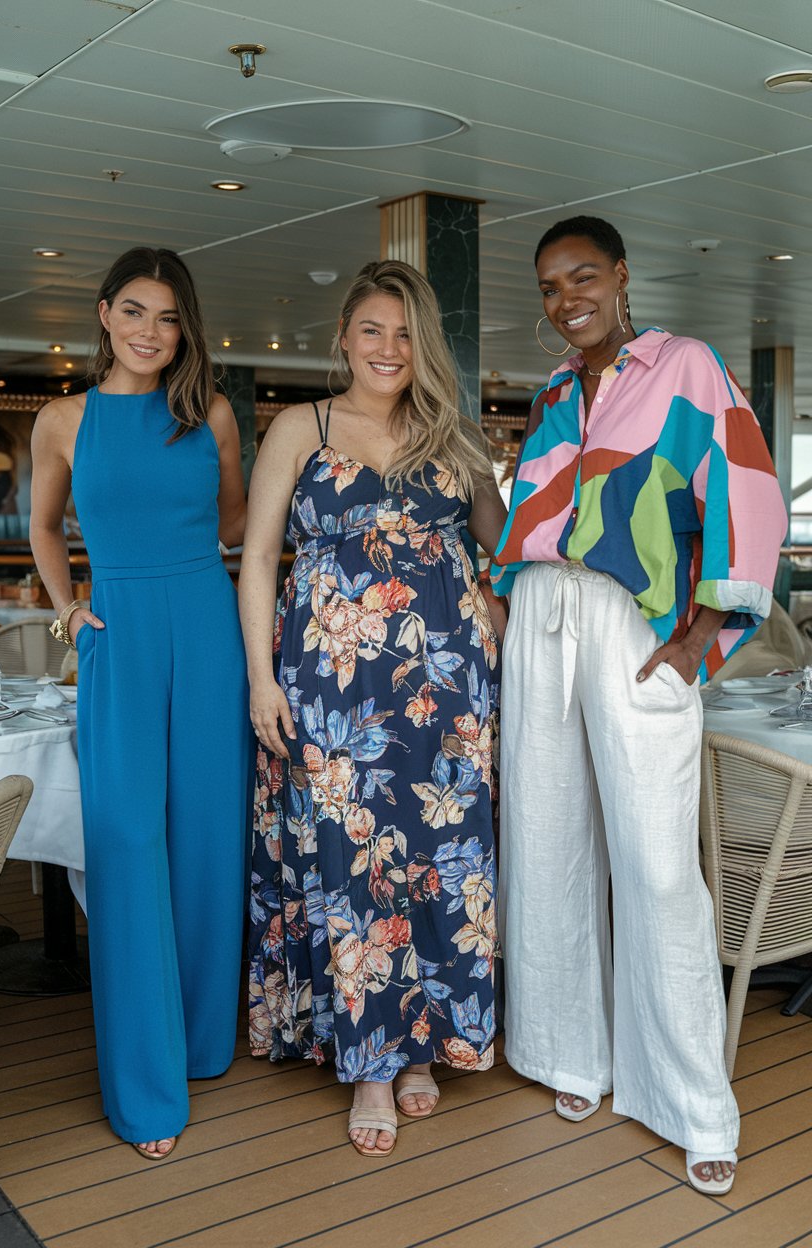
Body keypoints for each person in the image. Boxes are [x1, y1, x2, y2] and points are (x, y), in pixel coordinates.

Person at [491, 215, 787, 1195]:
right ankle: (572, 1055)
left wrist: (704, 632)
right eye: (547, 285)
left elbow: (748, 491)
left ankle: (695, 1104)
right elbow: (538, 522)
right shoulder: (550, 396)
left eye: (581, 275)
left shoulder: (687, 368)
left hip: (631, 626)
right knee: (546, 838)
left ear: (619, 276)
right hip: (539, 620)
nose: (565, 296)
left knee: (658, 867)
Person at [241, 260, 506, 1158]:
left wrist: (503, 628)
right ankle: (369, 1063)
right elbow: (260, 560)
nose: (388, 349)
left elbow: (503, 550)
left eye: (405, 334)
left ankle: (425, 1040)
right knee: (355, 860)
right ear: (342, 338)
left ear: (422, 343)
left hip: (448, 688)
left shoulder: (455, 435)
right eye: (371, 331)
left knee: (443, 857)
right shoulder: (298, 428)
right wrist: (260, 679)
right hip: (333, 682)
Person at [30, 247, 252, 1161]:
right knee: (126, 844)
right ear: (104, 313)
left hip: (206, 630)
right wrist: (68, 610)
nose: (150, 332)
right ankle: (145, 1085)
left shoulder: (214, 415)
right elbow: (45, 527)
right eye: (134, 312)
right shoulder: (60, 420)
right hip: (116, 635)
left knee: (206, 838)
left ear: (185, 325)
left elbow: (238, 520)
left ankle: (203, 1044)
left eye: (167, 317)